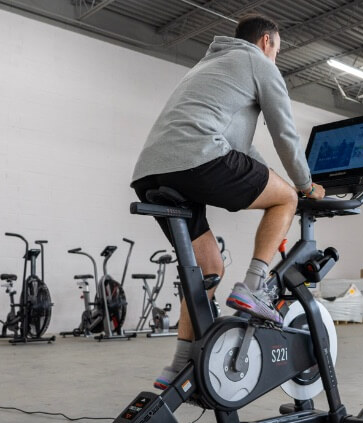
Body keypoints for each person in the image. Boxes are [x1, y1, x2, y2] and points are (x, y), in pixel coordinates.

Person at [131, 13, 325, 390]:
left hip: (153, 172)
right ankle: (253, 287)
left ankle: (178, 368)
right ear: (267, 41)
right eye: (277, 51)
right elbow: (285, 133)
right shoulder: (258, 63)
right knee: (285, 198)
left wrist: (269, 176)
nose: (276, 58)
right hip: (200, 158)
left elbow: (243, 149)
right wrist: (304, 184)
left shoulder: (210, 65)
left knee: (207, 268)